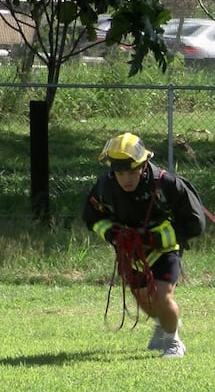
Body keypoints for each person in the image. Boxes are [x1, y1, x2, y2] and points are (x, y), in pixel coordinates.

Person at [83, 133, 205, 358]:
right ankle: (163, 322)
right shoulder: (105, 186)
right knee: (144, 300)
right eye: (120, 173)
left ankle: (173, 342)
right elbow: (92, 217)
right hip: (130, 252)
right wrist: (113, 235)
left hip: (165, 249)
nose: (126, 179)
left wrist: (152, 239)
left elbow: (195, 223)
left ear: (143, 165)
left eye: (132, 172)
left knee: (160, 295)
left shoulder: (167, 184)